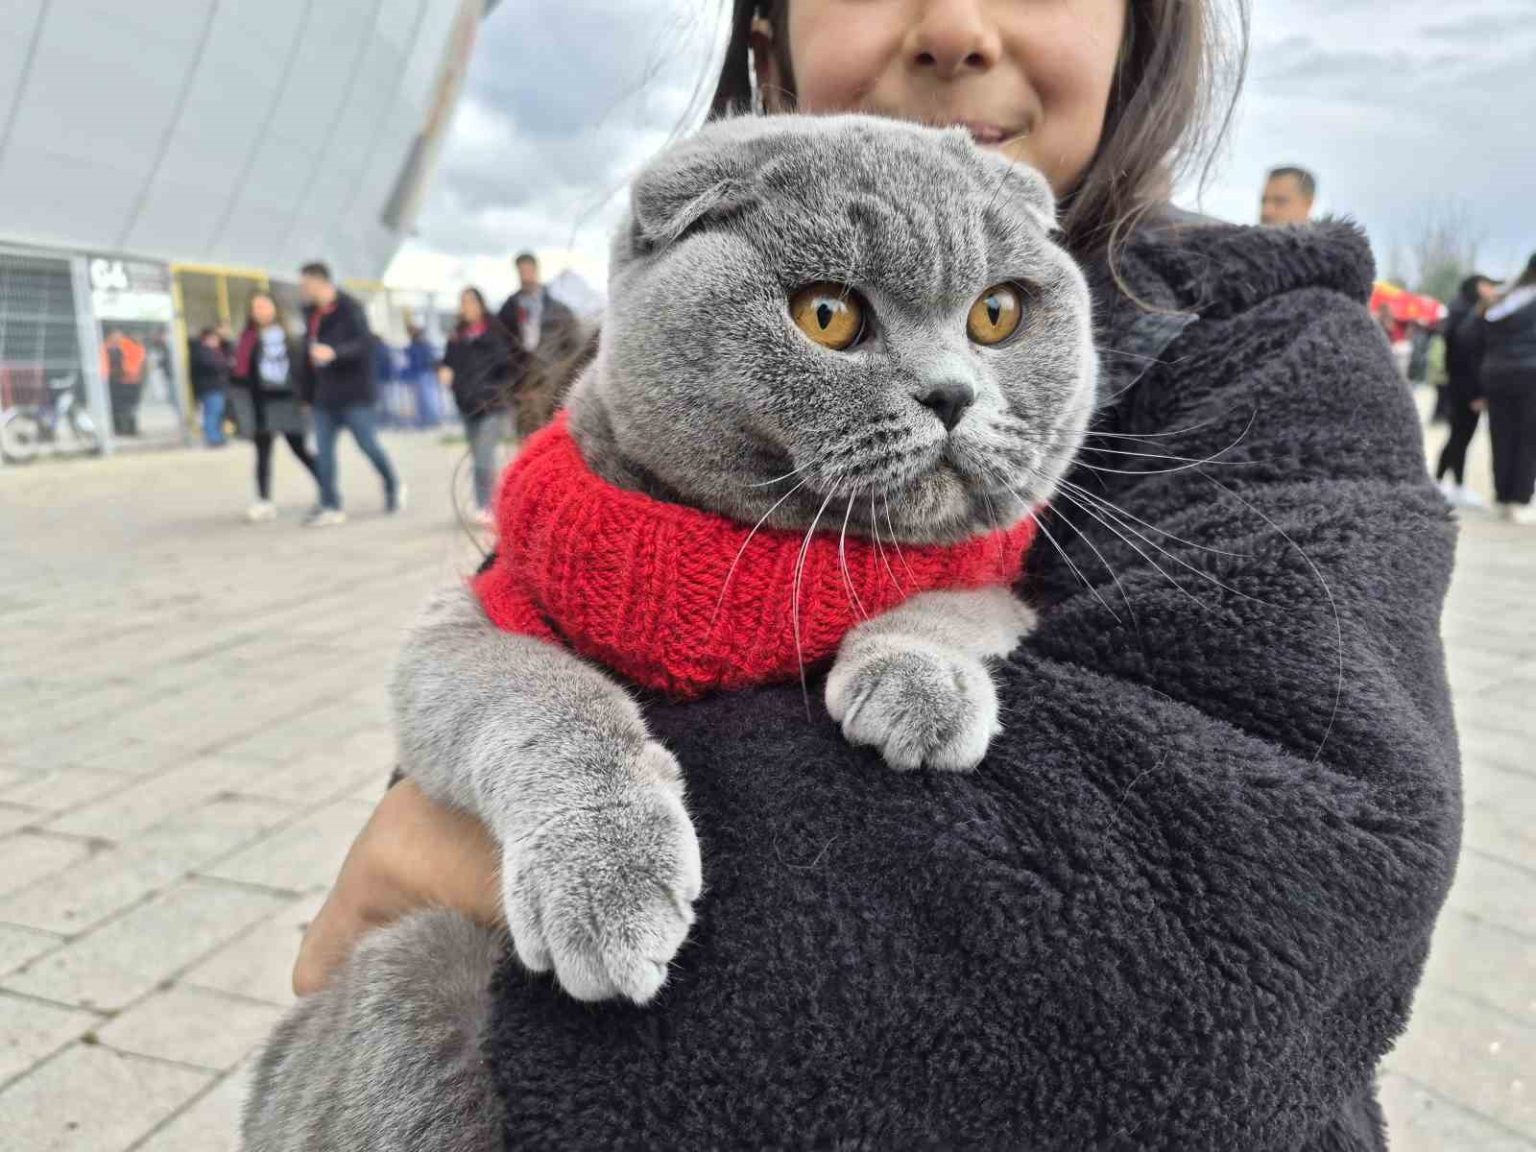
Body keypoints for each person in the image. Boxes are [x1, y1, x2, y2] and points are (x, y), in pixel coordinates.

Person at [286, 3, 1459, 1148]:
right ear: (769, 29)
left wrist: (478, 851)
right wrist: (534, 766)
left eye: (995, 316)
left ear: (1139, 24)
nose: (956, 25)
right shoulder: (626, 413)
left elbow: (1257, 910)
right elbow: (476, 667)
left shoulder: (1273, 362)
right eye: (832, 312)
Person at [297, 262, 405, 527]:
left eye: (306, 283)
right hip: (324, 397)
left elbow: (364, 345)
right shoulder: (310, 314)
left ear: (320, 282)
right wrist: (306, 396)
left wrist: (335, 353)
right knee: (323, 452)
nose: (303, 288)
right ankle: (330, 505)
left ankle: (393, 484)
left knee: (368, 445)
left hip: (355, 395)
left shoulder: (350, 308)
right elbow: (306, 356)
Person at [229, 292, 320, 522]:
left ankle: (327, 487)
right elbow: (240, 374)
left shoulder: (290, 338)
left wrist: (306, 398)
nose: (260, 311)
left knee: (300, 450)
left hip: (288, 401)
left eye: (264, 306)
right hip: (261, 403)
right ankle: (263, 500)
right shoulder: (248, 340)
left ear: (275, 309)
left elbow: (303, 370)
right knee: (262, 453)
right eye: (256, 308)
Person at [440, 288, 513, 521]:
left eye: (472, 301)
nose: (467, 307)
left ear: (481, 304)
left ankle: (488, 506)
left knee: (484, 457)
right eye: (463, 302)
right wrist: (444, 371)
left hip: (491, 405)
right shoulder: (456, 338)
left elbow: (507, 368)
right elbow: (447, 363)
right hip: (466, 405)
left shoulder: (495, 333)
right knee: (476, 457)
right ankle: (484, 504)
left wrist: (497, 393)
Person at [496, 252, 580, 438]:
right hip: (520, 384)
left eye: (529, 270)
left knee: (550, 434)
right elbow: (500, 347)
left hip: (551, 382)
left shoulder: (559, 310)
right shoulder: (508, 309)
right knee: (525, 437)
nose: (526, 275)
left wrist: (563, 375)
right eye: (522, 271)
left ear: (536, 270)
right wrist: (509, 382)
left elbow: (573, 346)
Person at [1480, 253, 1536, 525]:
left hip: (1496, 374)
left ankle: (1501, 495)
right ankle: (1519, 499)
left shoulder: (1504, 298)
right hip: (1530, 375)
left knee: (1500, 435)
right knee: (1528, 438)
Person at [1434, 274, 1498, 507]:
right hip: (1466, 387)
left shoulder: (1458, 308)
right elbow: (1468, 358)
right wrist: (1477, 393)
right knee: (1461, 435)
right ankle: (1450, 484)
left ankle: (1443, 481)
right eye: (1488, 285)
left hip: (1457, 384)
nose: (1492, 290)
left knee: (1457, 435)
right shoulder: (1468, 314)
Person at [188, 326, 230, 447]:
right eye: (214, 338)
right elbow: (213, 366)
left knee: (218, 412)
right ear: (207, 339)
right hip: (210, 388)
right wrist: (225, 364)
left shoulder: (213, 351)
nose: (217, 341)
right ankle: (213, 438)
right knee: (212, 413)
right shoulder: (201, 352)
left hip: (216, 387)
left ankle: (218, 436)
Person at [100, 327, 146, 436]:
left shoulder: (129, 346)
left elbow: (136, 361)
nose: (117, 338)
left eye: (119, 335)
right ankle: (119, 429)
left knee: (130, 406)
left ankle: (131, 428)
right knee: (116, 407)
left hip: (130, 381)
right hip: (114, 381)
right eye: (115, 335)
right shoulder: (106, 348)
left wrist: (132, 373)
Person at [405, 324, 442, 429]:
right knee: (423, 399)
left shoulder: (422, 345)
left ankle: (432, 420)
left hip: (425, 373)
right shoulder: (416, 345)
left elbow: (430, 360)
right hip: (421, 373)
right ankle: (427, 420)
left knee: (429, 398)